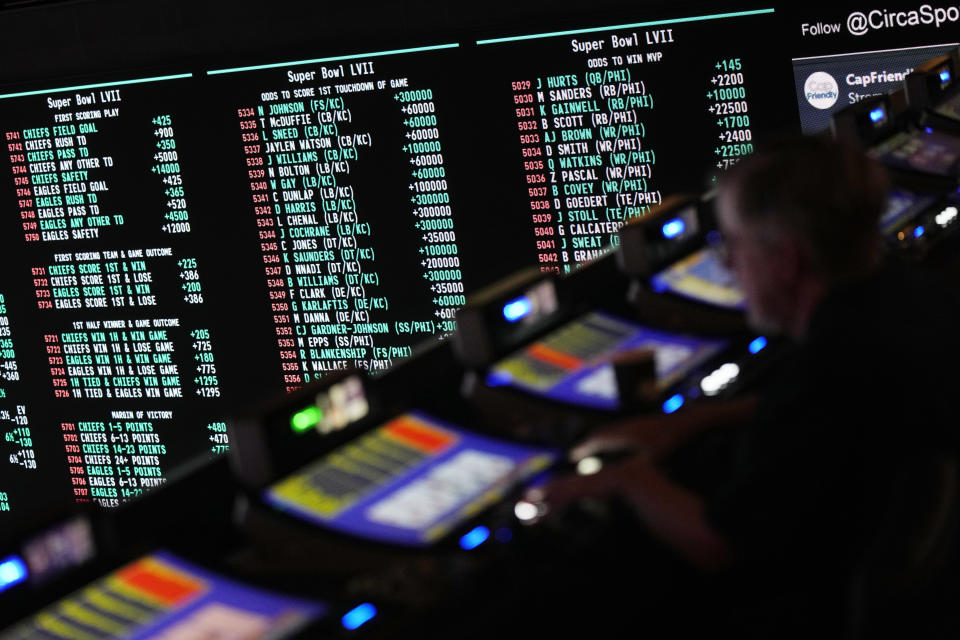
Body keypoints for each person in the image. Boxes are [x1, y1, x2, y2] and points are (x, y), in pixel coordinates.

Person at [535, 135, 960, 637]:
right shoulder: (914, 297)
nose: (730, 266)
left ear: (784, 260)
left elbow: (718, 544)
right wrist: (693, 420)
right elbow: (842, 409)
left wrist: (626, 477)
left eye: (734, 245)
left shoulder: (830, 369)